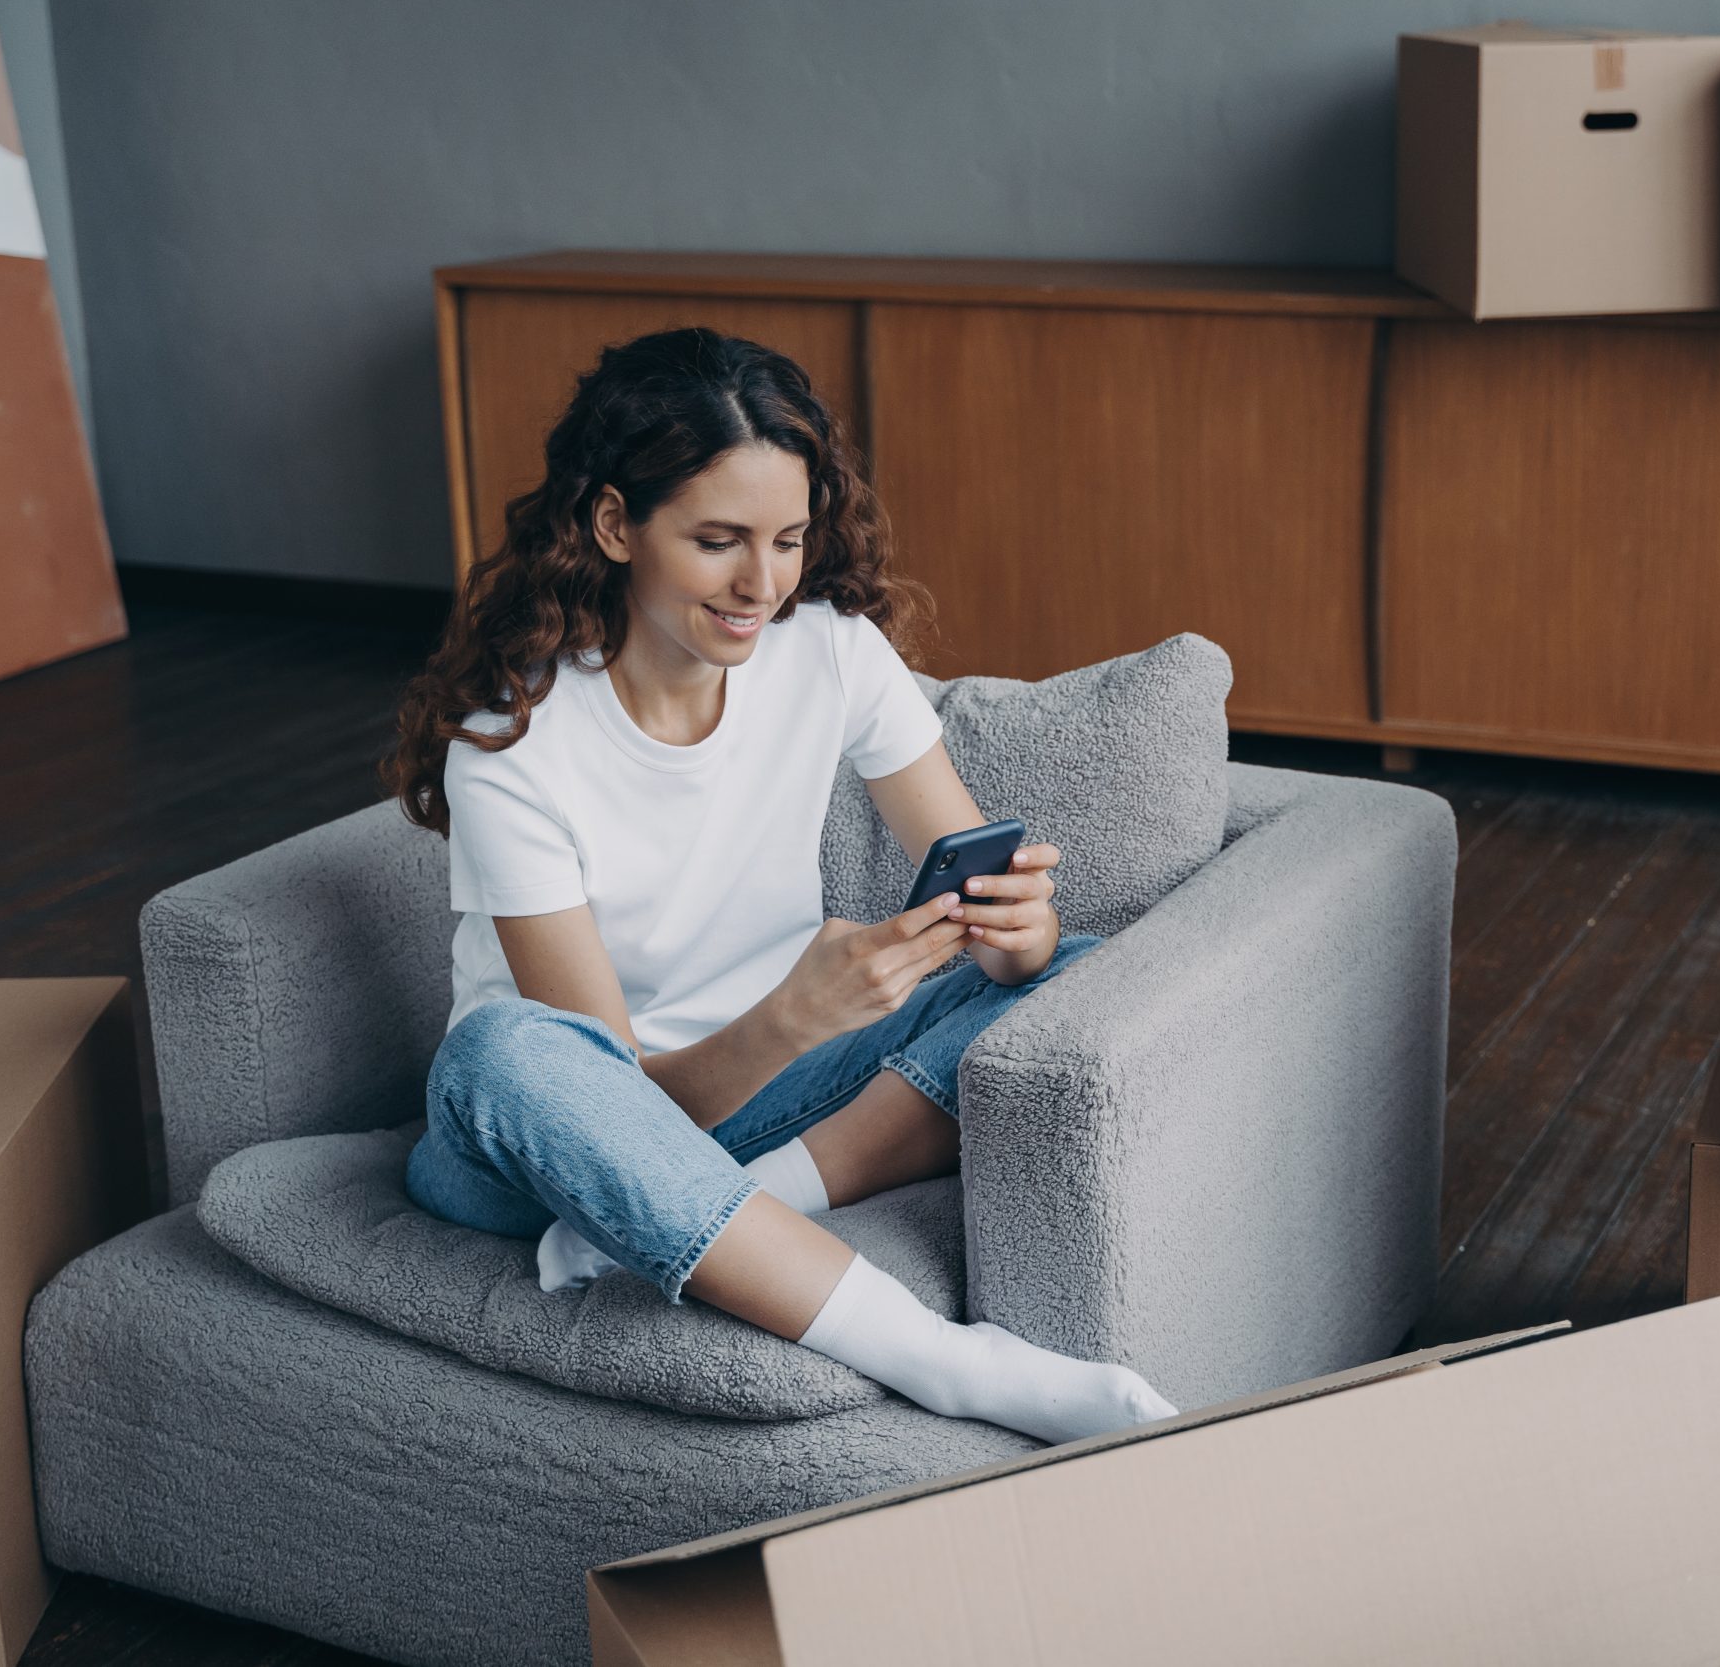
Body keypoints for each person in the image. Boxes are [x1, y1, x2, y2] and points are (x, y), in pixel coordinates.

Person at [378, 326, 1177, 1446]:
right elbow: (612, 1092)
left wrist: (1019, 932)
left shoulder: (831, 652)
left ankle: (727, 1206)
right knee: (504, 1049)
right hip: (543, 1138)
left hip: (767, 1095)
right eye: (716, 542)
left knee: (1080, 978)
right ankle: (944, 1363)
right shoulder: (513, 746)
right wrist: (796, 1014)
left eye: (788, 541)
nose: (763, 584)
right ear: (615, 525)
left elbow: (998, 931)